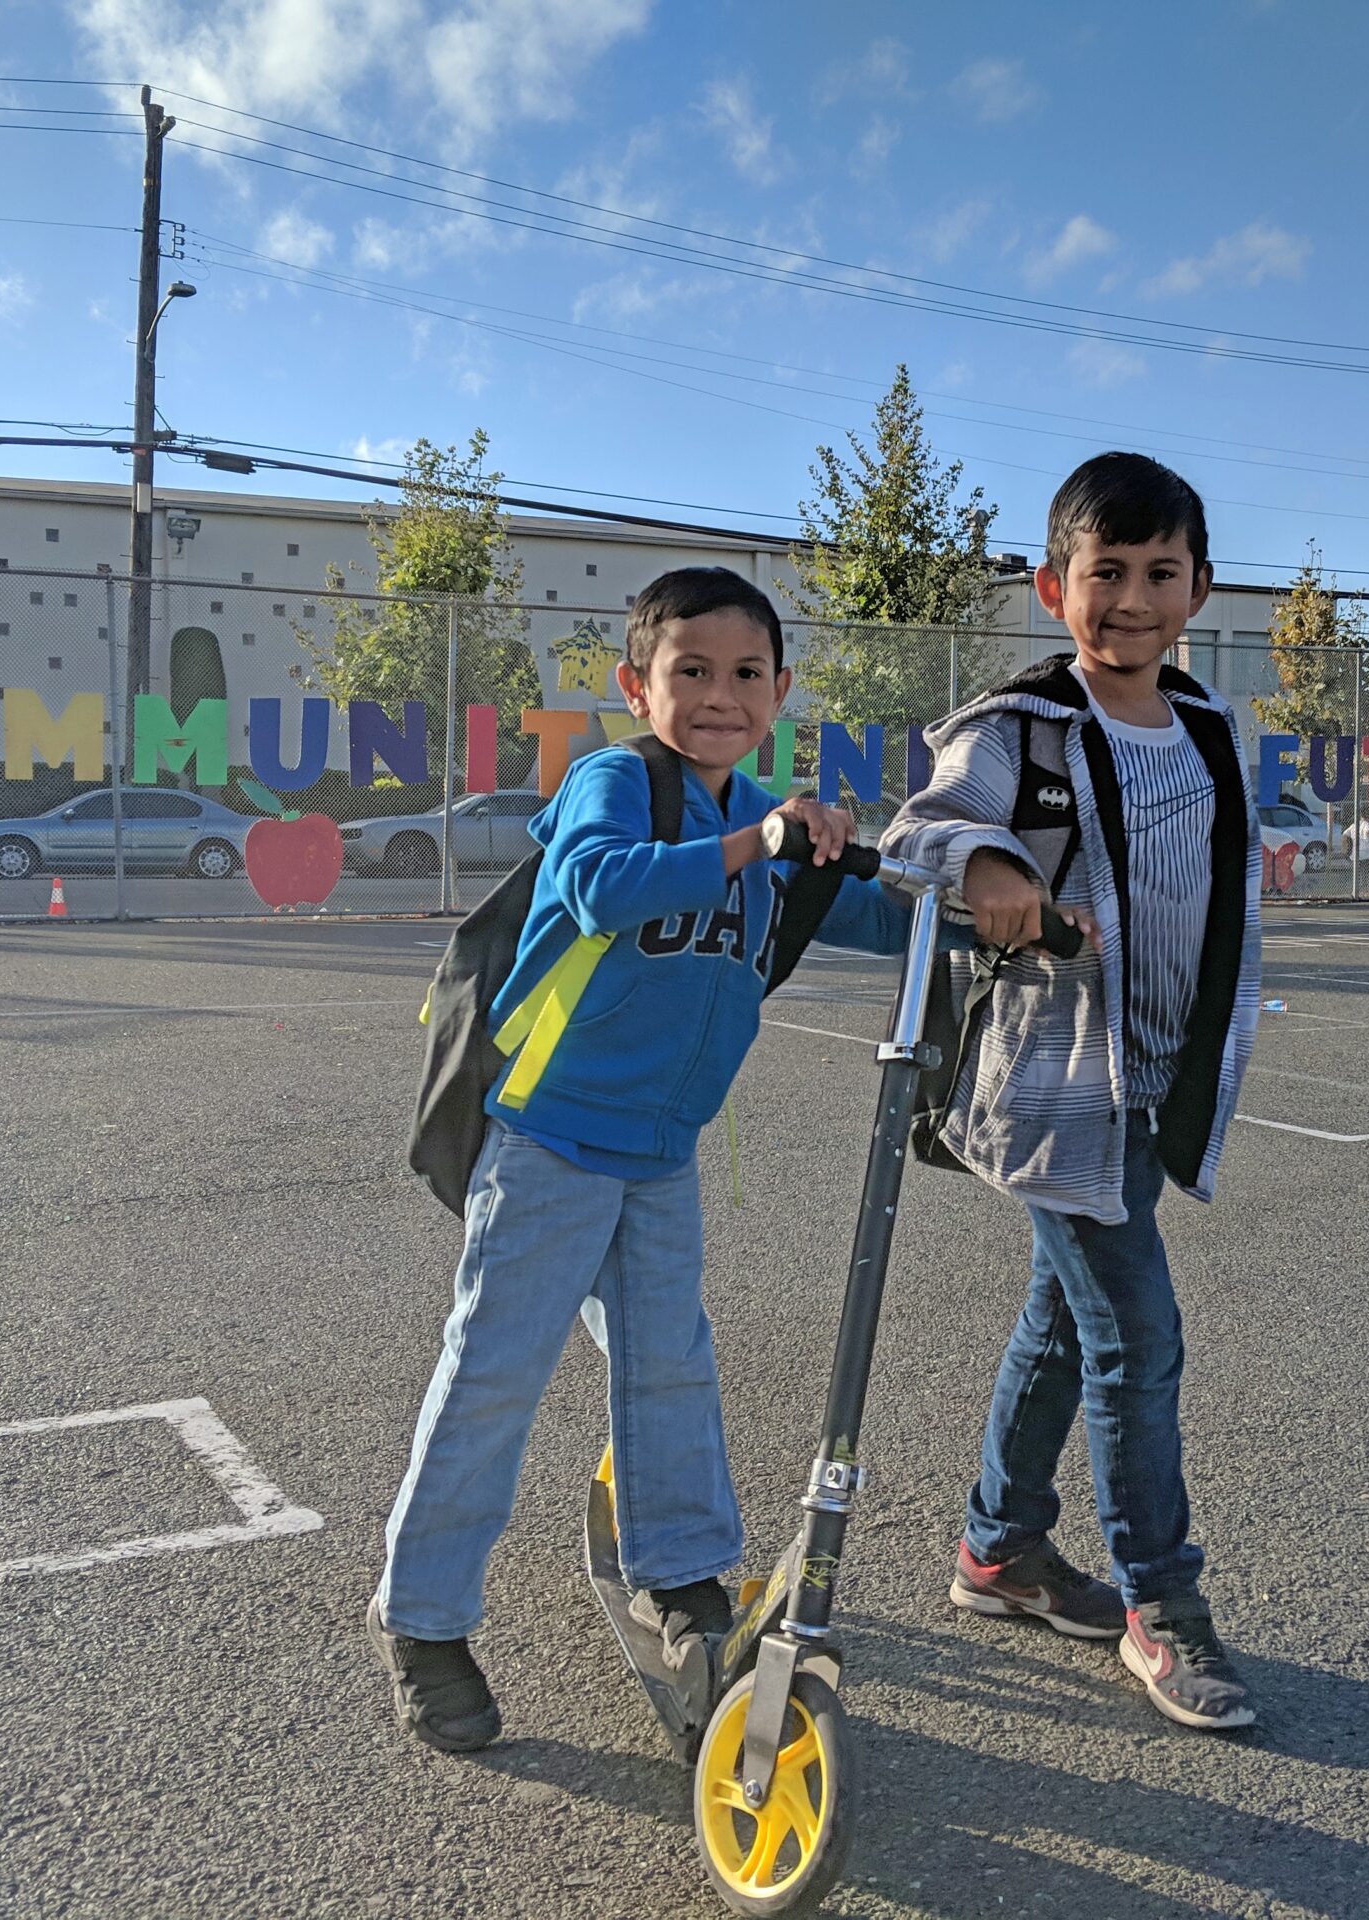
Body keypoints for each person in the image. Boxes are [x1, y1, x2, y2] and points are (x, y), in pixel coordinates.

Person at [369, 565, 908, 1753]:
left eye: (746, 674)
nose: (720, 695)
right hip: (549, 1138)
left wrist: (991, 904)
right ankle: (424, 1620)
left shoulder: (761, 818)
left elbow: (871, 910)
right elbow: (600, 885)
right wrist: (753, 837)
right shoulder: (616, 782)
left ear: (779, 692)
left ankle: (680, 1578)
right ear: (637, 684)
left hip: (661, 1154)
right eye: (691, 671)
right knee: (492, 1376)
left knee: (670, 1365)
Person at [881, 452, 1263, 1731]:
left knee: (1064, 1323)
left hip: (1153, 1079)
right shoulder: (1023, 728)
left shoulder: (1206, 727)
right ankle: (1165, 1603)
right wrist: (988, 857)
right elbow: (919, 831)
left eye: (1160, 574)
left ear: (1197, 587)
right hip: (1056, 1089)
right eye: (1106, 574)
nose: (1133, 601)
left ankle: (997, 1551)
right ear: (1057, 586)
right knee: (1137, 1338)